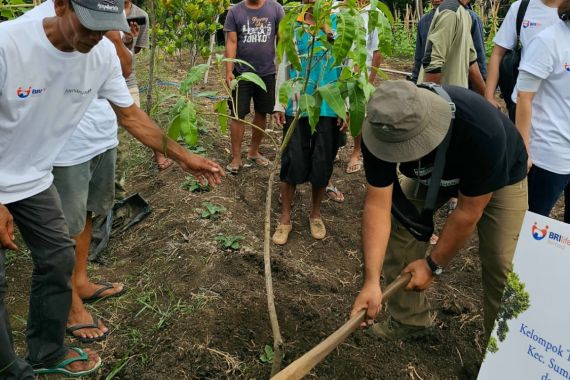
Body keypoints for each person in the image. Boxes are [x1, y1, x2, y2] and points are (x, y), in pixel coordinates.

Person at [0, 0, 223, 377]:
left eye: (104, 26)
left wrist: (186, 157)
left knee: (58, 258)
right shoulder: (9, 45)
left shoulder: (101, 55)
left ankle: (47, 352)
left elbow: (131, 116)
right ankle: (8, 368)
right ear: (59, 6)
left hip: (33, 177)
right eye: (87, 24)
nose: (94, 35)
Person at [350, 80, 528, 342]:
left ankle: (503, 350)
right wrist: (371, 281)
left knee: (502, 262)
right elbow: (378, 204)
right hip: (432, 177)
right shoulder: (380, 128)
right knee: (399, 231)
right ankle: (409, 319)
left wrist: (433, 265)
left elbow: (468, 212)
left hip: (500, 177)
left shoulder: (481, 130)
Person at [272, 1, 347, 245]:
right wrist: (279, 103)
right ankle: (285, 218)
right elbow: (284, 63)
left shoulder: (340, 24)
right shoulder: (293, 24)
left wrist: (343, 106)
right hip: (298, 104)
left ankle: (315, 214)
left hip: (328, 105)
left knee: (322, 161)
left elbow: (345, 66)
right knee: (292, 160)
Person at [515, 1, 570, 220]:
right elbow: (523, 96)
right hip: (548, 152)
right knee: (534, 219)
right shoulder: (548, 41)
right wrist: (524, 150)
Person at [223, 0, 285, 174]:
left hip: (266, 73)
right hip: (241, 73)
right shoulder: (235, 12)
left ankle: (253, 151)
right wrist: (229, 70)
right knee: (237, 114)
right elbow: (231, 42)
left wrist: (285, 68)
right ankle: (236, 158)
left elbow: (282, 39)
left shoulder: (276, 9)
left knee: (262, 112)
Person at [484, 0, 562, 119]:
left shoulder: (566, 13)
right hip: (523, 101)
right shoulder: (521, 8)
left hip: (562, 104)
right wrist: (489, 96)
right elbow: (497, 54)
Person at [417, 0, 486, 95]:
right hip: (444, 99)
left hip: (456, 97)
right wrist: (433, 102)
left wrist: (487, 98)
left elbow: (471, 60)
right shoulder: (449, 12)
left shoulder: (464, 13)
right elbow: (433, 62)